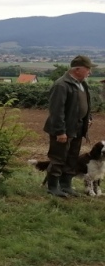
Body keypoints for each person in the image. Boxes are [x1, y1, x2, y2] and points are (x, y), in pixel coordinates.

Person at [43, 55, 96, 197]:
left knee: (72, 158)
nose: (90, 72)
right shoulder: (61, 85)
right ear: (77, 69)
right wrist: (60, 131)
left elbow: (84, 104)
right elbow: (56, 110)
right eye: (87, 69)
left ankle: (66, 185)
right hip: (63, 129)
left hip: (77, 127)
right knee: (58, 158)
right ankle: (52, 187)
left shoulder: (82, 84)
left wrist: (88, 118)